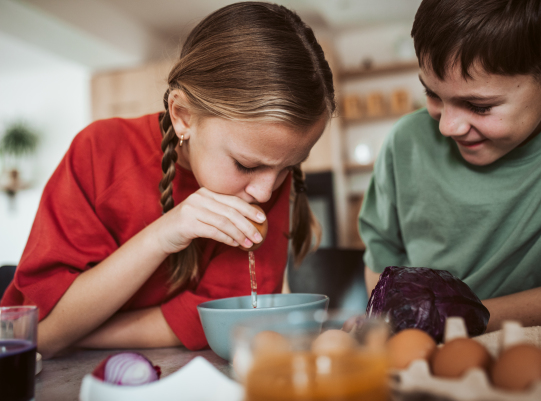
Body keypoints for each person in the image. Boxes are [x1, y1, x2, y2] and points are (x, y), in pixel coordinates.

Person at [1, 2, 335, 357]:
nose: (266, 191)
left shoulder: (266, 171)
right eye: (244, 165)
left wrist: (80, 330)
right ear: (183, 116)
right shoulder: (99, 152)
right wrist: (163, 234)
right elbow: (39, 334)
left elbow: (221, 318)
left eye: (288, 167)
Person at [359, 0, 541, 332]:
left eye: (477, 105)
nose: (447, 127)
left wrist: (440, 321)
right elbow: (381, 253)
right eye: (433, 94)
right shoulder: (404, 143)